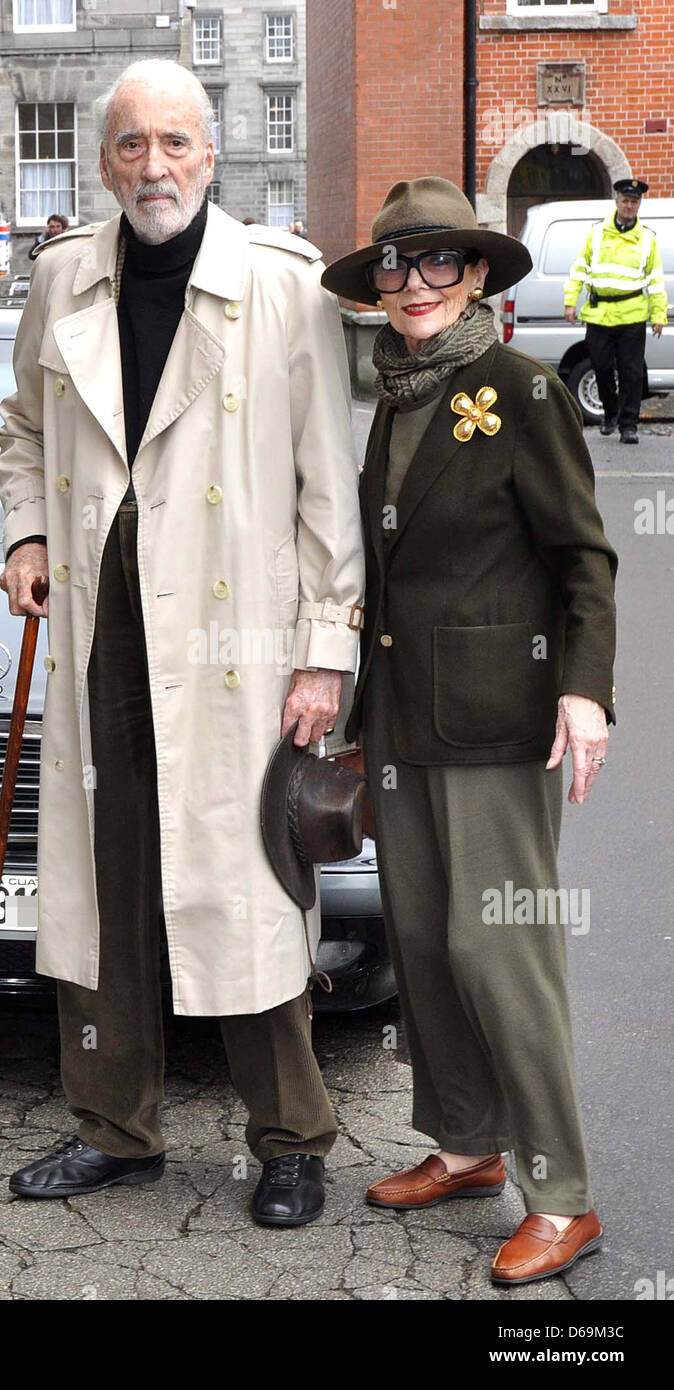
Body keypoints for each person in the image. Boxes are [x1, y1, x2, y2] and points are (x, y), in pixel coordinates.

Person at [0, 59, 364, 1228]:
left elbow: (326, 490)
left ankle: (292, 1139)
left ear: (211, 154)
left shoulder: (280, 285)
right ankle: (115, 1129)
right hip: (103, 618)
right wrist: (25, 533)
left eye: (175, 145)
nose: (152, 167)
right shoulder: (61, 278)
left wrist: (324, 649)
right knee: (105, 891)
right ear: (107, 161)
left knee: (245, 881)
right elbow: (18, 429)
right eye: (130, 146)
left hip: (235, 640)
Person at [323, 177, 617, 1286]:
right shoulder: (398, 397)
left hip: (502, 718)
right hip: (402, 714)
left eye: (437, 261)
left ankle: (563, 1194)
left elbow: (580, 557)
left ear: (479, 274)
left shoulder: (523, 388)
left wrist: (583, 691)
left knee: (502, 951)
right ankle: (464, 1146)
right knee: (428, 941)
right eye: (394, 266)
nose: (411, 284)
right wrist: (357, 712)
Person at [564, 177, 667, 444]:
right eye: (625, 200)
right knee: (600, 367)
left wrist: (658, 315)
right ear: (617, 201)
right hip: (599, 314)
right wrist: (570, 301)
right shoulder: (596, 233)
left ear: (639, 204)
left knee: (632, 372)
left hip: (632, 314)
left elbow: (655, 278)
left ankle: (628, 425)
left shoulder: (647, 238)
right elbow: (579, 269)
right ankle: (610, 413)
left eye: (634, 201)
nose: (629, 205)